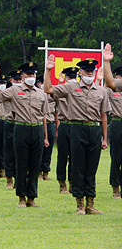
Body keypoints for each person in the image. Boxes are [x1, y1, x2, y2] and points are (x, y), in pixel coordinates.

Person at [44, 54, 109, 215]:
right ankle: (79, 204)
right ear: (80, 72)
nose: (89, 74)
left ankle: (90, 204)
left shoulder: (101, 91)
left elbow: (104, 116)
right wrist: (48, 70)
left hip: (94, 130)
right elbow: (48, 89)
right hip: (77, 129)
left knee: (92, 168)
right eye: (86, 71)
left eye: (91, 71)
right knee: (78, 166)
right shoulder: (71, 87)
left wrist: (104, 138)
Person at [0, 62, 49, 208]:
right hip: (21, 128)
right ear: (22, 76)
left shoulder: (41, 93)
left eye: (33, 74)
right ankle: (21, 197)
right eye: (28, 74)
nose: (31, 77)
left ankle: (32, 198)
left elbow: (44, 116)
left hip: (37, 129)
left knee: (35, 165)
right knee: (22, 164)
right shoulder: (14, 91)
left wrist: (46, 136)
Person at [101, 47, 122, 199]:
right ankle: (115, 188)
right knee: (116, 157)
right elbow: (109, 83)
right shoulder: (112, 88)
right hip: (117, 123)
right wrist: (106, 62)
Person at [54, 67, 78, 193]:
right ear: (67, 78)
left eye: (74, 77)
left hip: (75, 125)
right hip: (63, 124)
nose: (72, 80)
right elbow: (56, 109)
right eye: (70, 77)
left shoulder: (78, 92)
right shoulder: (63, 91)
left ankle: (72, 182)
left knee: (75, 156)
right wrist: (60, 83)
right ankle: (62, 183)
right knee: (62, 156)